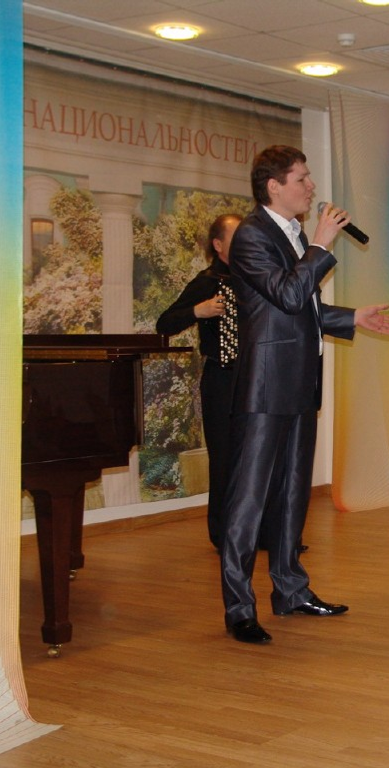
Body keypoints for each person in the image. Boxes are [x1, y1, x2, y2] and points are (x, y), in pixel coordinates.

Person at [220, 144, 389, 645]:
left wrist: (351, 317)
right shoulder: (251, 236)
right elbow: (287, 294)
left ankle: (291, 590)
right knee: (249, 501)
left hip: (301, 380)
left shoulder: (295, 234)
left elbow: (302, 308)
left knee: (293, 493)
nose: (311, 186)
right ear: (273, 186)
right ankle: (239, 608)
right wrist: (320, 245)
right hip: (265, 387)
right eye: (301, 178)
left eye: (308, 177)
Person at [156, 213, 242, 551]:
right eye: (236, 238)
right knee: (224, 458)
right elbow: (165, 323)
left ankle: (261, 531)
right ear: (218, 245)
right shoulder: (209, 282)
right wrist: (198, 311)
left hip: (255, 380)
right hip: (222, 378)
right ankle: (223, 535)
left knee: (258, 458)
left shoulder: (256, 278)